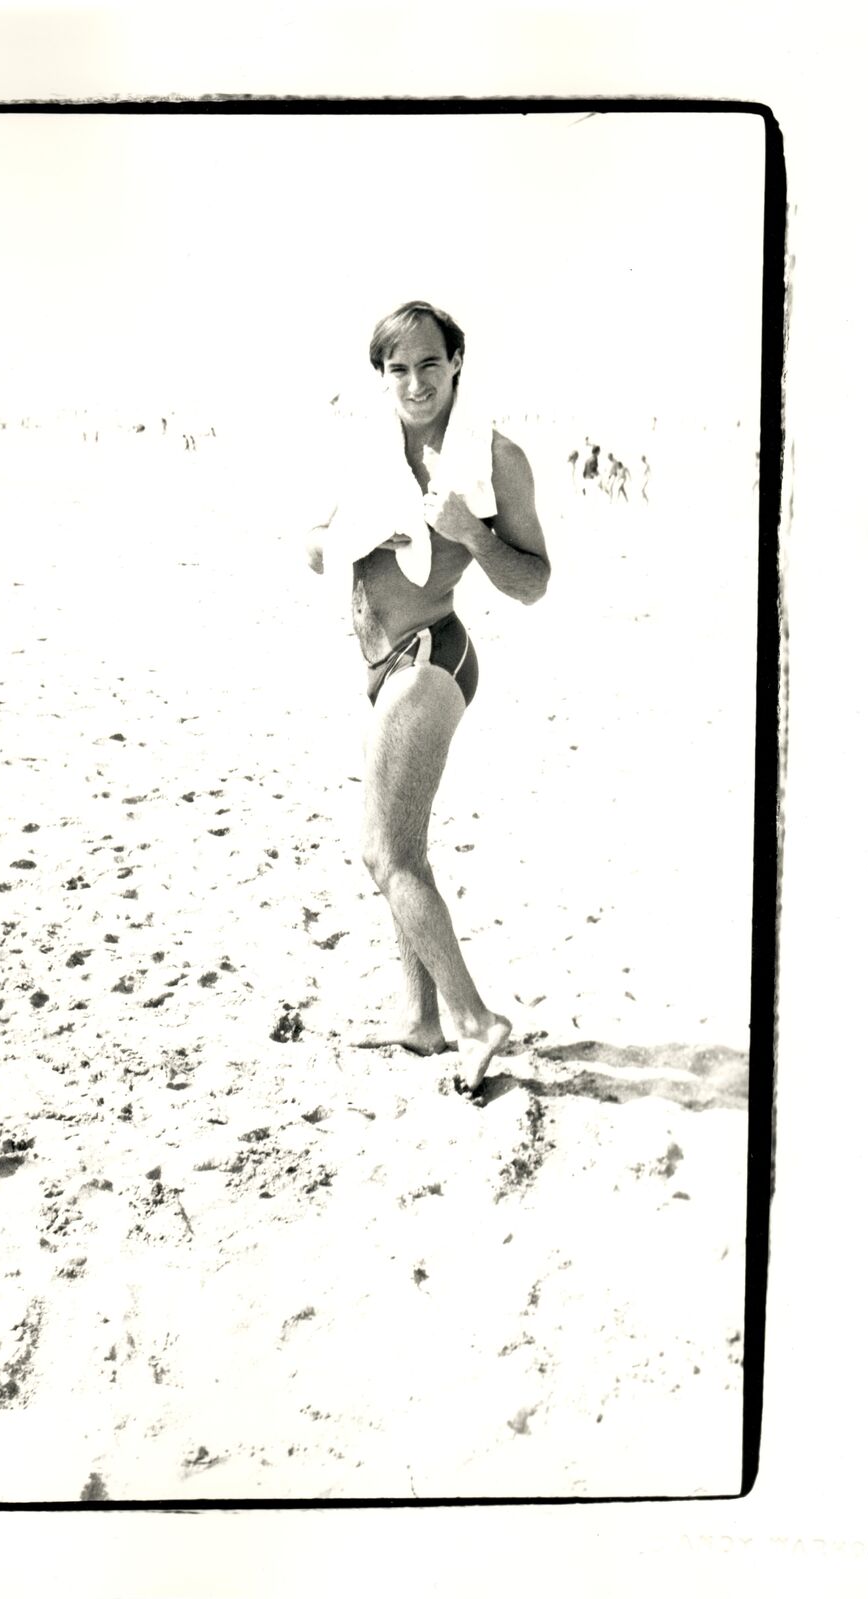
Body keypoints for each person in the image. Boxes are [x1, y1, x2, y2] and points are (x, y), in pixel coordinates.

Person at [303, 300, 551, 1092]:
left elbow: (534, 582)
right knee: (405, 839)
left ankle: (475, 1019)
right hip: (380, 662)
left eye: (429, 365)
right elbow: (316, 545)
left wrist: (472, 534)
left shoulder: (494, 459)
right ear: (382, 376)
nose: (415, 383)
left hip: (431, 656)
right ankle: (420, 1020)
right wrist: (354, 537)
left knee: (384, 850)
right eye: (398, 369)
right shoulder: (369, 452)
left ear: (456, 365)